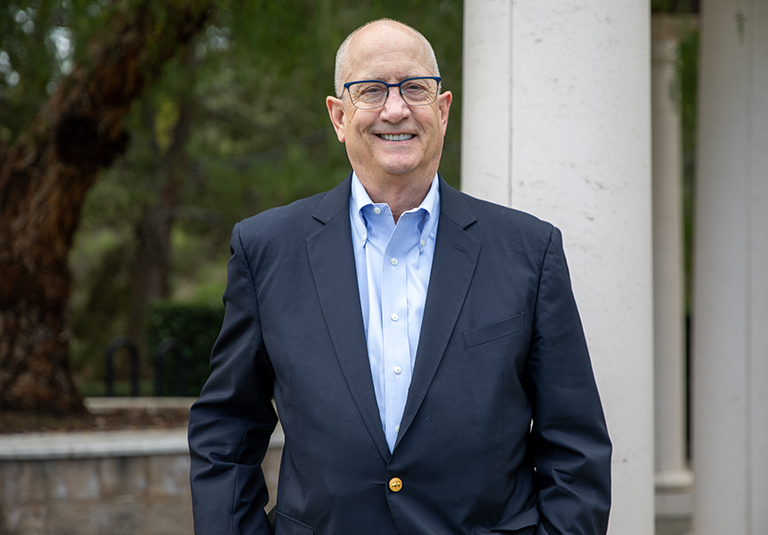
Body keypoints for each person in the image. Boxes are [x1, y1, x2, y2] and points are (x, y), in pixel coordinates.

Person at [188, 19, 611, 535]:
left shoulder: (529, 250)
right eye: (371, 90)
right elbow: (226, 432)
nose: (396, 109)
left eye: (415, 87)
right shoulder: (266, 249)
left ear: (443, 109)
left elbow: (575, 448)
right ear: (339, 116)